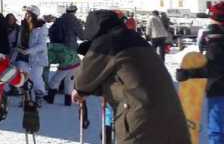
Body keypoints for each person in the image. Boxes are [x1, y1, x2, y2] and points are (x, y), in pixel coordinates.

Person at [72, 9, 188, 143]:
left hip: (141, 125)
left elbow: (83, 83)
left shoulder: (107, 42)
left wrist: (79, 91)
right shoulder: (138, 40)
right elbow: (127, 78)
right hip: (175, 120)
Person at [177, 1, 224, 144]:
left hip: (219, 90)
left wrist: (190, 73)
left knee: (217, 132)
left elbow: (216, 67)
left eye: (213, 22)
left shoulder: (217, 42)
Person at [15, 5, 49, 102]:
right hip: (22, 55)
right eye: (26, 13)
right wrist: (18, 48)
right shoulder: (23, 26)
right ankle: (25, 96)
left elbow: (42, 45)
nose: (26, 15)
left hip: (37, 57)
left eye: (28, 13)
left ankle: (40, 95)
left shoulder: (40, 28)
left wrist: (28, 51)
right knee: (21, 76)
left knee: (35, 77)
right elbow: (19, 41)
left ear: (33, 15)